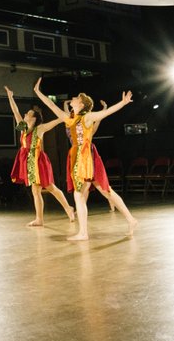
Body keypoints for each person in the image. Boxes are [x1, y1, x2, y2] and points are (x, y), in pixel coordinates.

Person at [34, 78, 138, 241]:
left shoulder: (87, 117)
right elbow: (52, 105)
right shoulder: (70, 118)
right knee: (106, 191)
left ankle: (83, 233)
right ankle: (131, 220)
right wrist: (38, 92)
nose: (72, 99)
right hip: (79, 156)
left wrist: (123, 103)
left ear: (81, 104)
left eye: (76, 98)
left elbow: (106, 112)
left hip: (86, 157)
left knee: (80, 194)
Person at [5, 86, 74, 227]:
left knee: (50, 187)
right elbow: (15, 111)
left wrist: (67, 117)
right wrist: (10, 97)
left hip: (38, 161)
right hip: (28, 161)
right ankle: (39, 219)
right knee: (35, 190)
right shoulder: (23, 127)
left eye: (28, 114)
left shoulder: (40, 129)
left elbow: (57, 121)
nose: (25, 114)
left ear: (34, 118)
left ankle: (68, 208)